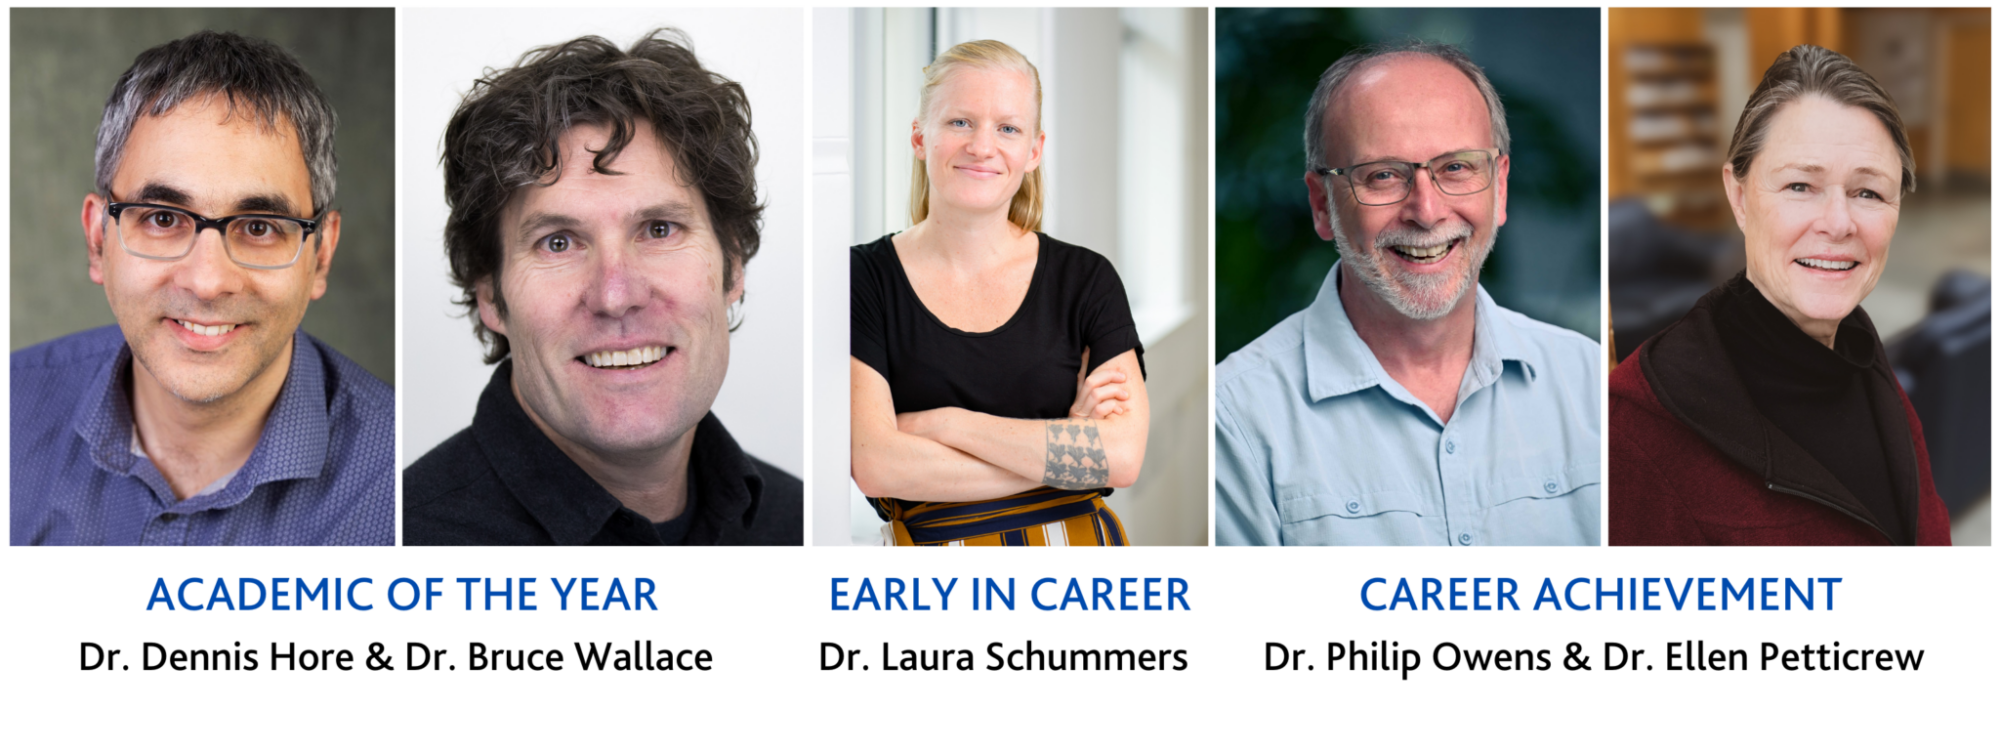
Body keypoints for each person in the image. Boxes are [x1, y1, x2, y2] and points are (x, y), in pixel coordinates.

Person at [399, 29, 803, 546]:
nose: (615, 295)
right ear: (490, 296)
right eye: (558, 243)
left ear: (733, 263)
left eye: (659, 229)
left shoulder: (798, 521)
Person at [8, 31, 395, 546]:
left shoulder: (398, 487)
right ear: (98, 239)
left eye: (259, 226)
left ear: (320, 254)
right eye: (164, 218)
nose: (208, 282)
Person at [1211, 41, 1603, 547]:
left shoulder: (1591, 384)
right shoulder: (1238, 417)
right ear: (1323, 205)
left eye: (1457, 168)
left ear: (1499, 188)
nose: (1427, 209)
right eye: (1383, 175)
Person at [1608, 44, 1951, 546]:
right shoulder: (1639, 435)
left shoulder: (1859, 354)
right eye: (1799, 186)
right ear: (1740, 196)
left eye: (1868, 192)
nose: (1838, 223)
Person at [850, 39, 1149, 547]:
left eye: (1007, 128)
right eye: (960, 122)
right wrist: (1068, 452)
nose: (982, 147)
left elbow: (1120, 457)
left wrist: (945, 424)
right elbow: (877, 465)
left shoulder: (1086, 279)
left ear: (1033, 151)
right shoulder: (863, 277)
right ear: (920, 137)